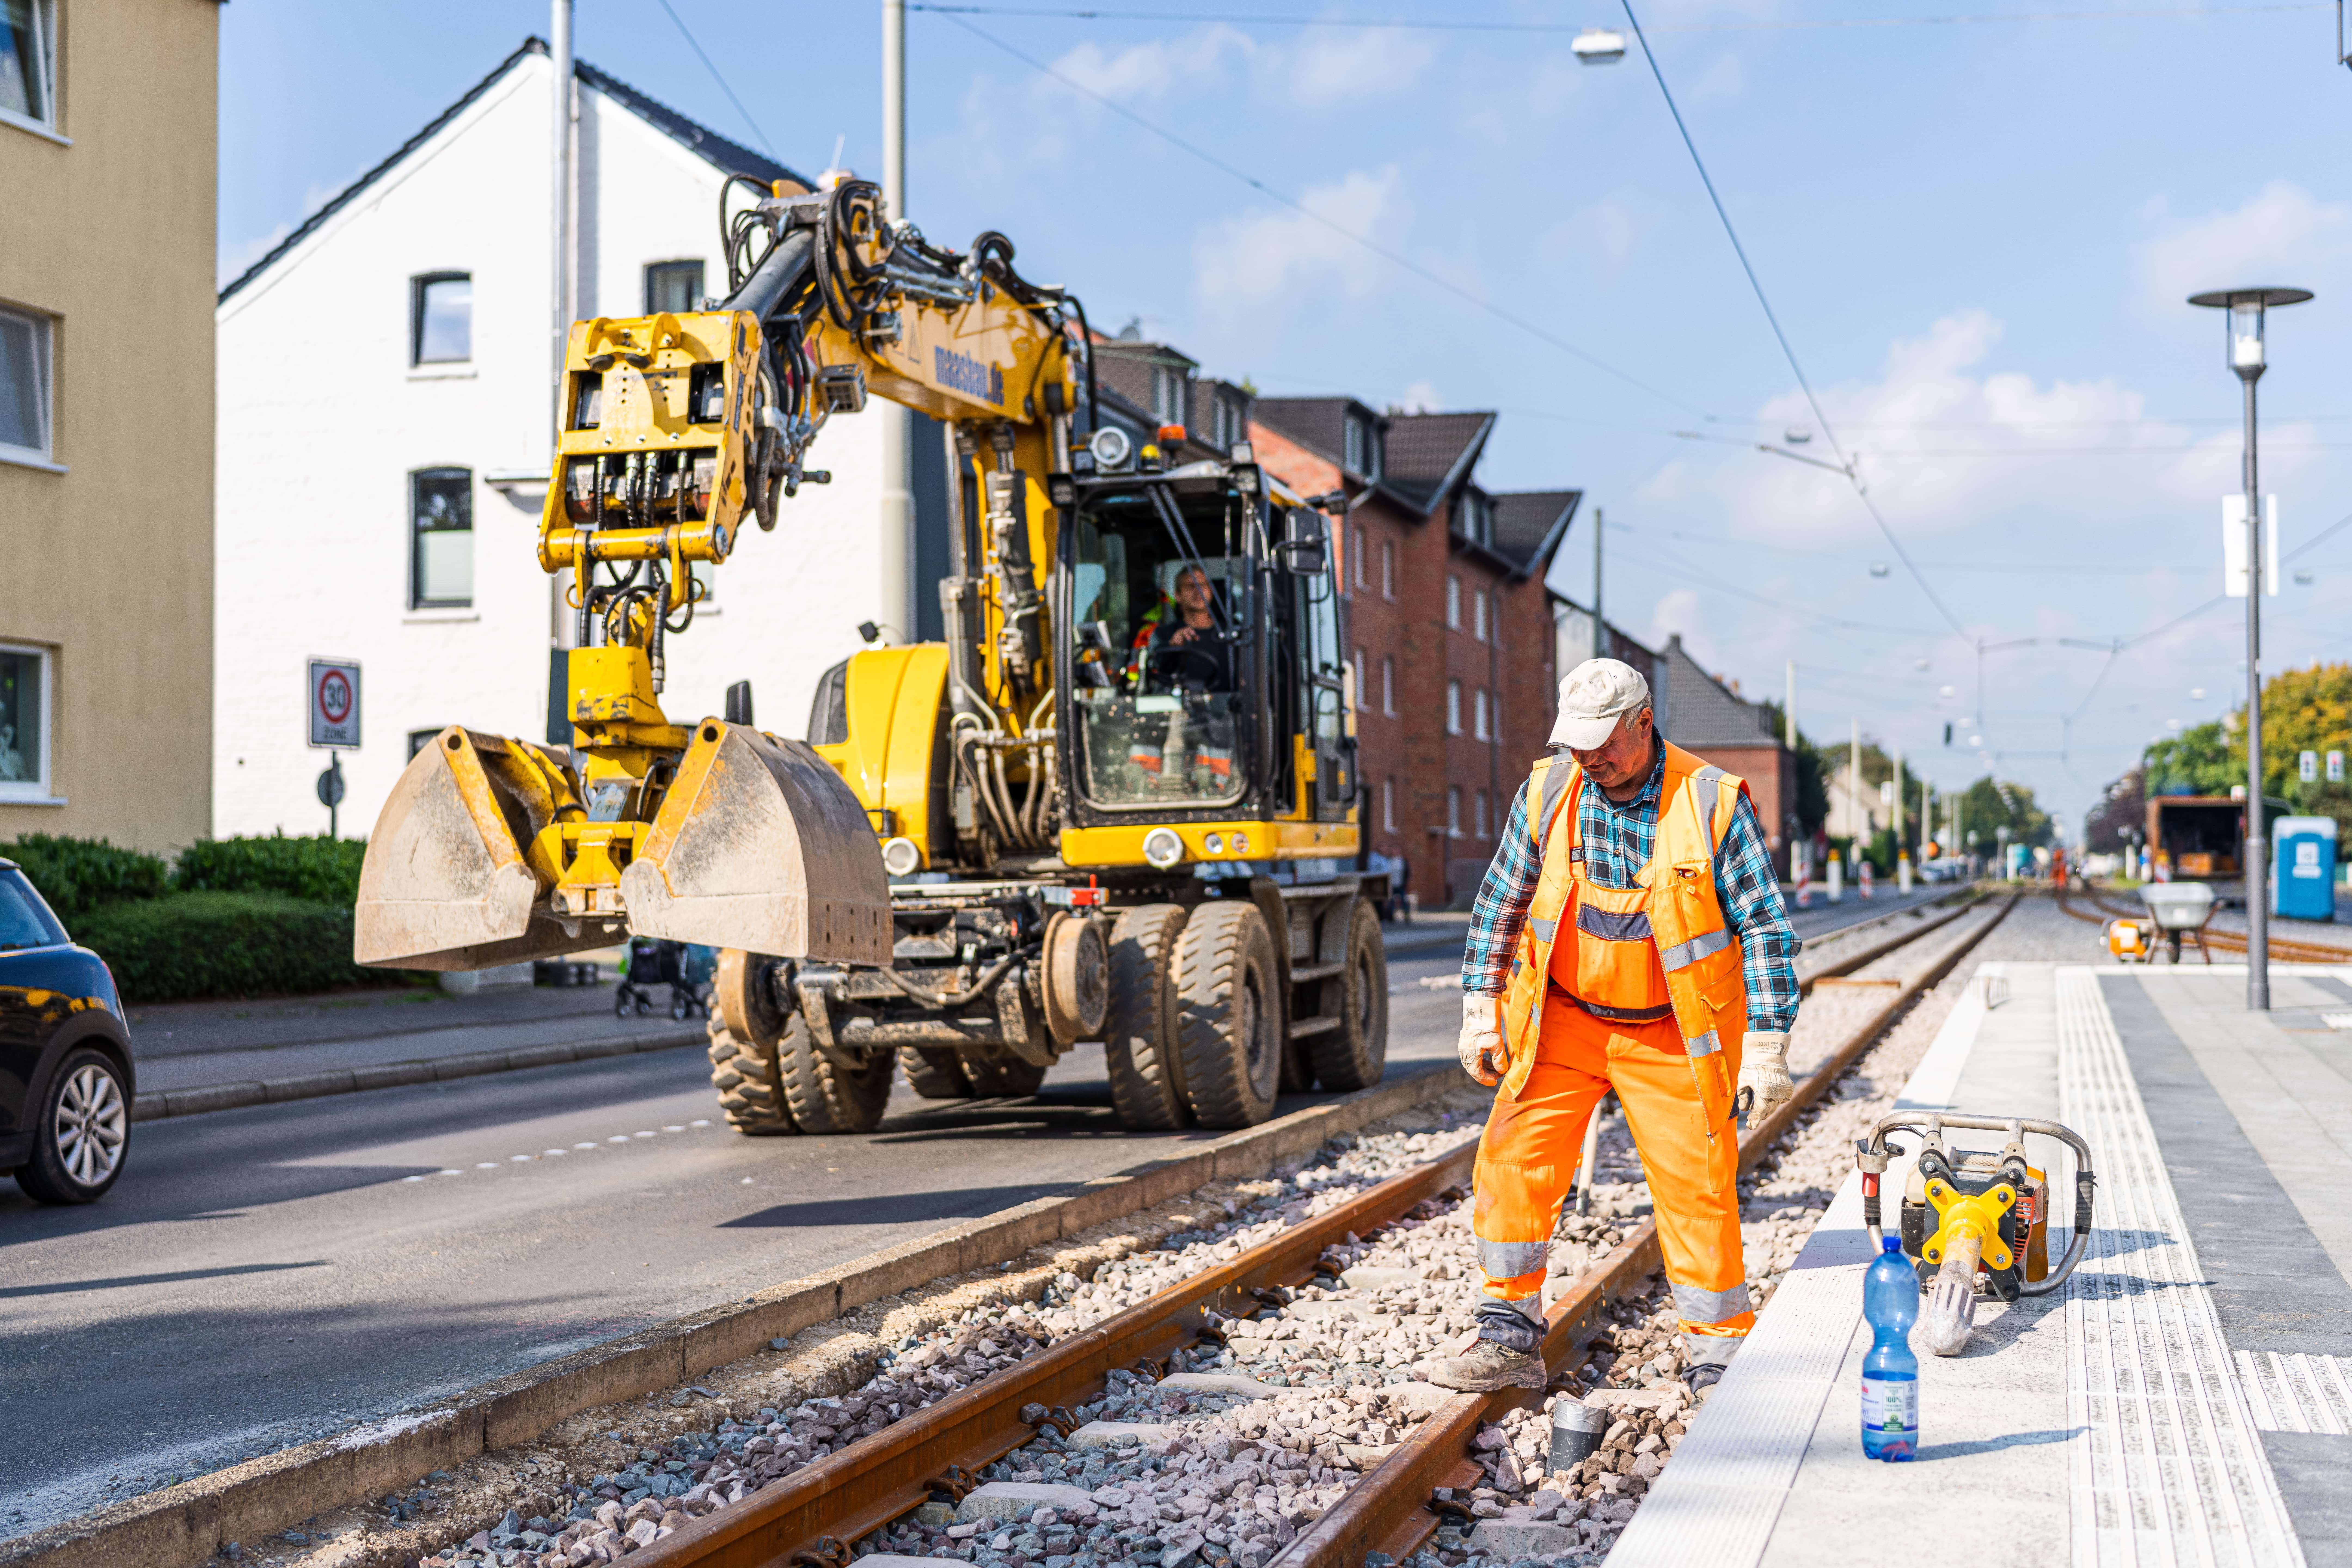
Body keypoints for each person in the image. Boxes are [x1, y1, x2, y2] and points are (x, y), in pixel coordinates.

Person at [1427, 658, 1801, 1394]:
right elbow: (1500, 903)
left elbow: (1764, 928)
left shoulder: (1711, 802)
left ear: (1644, 722)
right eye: (1578, 742)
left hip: (1669, 1032)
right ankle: (1507, 1340)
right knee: (1513, 1163)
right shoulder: (1549, 791)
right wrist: (1479, 1008)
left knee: (1697, 1185)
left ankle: (1719, 1352)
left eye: (1604, 740)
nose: (1591, 756)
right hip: (1563, 1020)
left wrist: (1766, 1044)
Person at [1142, 565, 1234, 691]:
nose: (1198, 591)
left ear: (1211, 592)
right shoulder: (1163, 634)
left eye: (1202, 585)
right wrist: (1173, 647)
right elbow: (1158, 669)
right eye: (1191, 586)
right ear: (1178, 596)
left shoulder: (1232, 633)